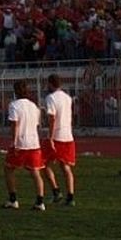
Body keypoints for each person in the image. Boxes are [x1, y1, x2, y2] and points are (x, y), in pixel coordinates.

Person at [3, 80, 46, 211]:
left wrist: (14, 141)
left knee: (8, 169)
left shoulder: (14, 105)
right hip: (34, 143)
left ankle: (13, 199)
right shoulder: (34, 106)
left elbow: (14, 124)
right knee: (35, 172)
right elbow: (36, 125)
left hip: (20, 143)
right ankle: (40, 202)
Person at [42, 74, 76, 206]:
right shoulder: (68, 98)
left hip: (56, 136)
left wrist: (50, 137)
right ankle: (70, 196)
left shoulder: (50, 98)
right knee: (66, 166)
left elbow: (52, 118)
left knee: (44, 164)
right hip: (68, 135)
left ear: (50, 84)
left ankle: (56, 191)